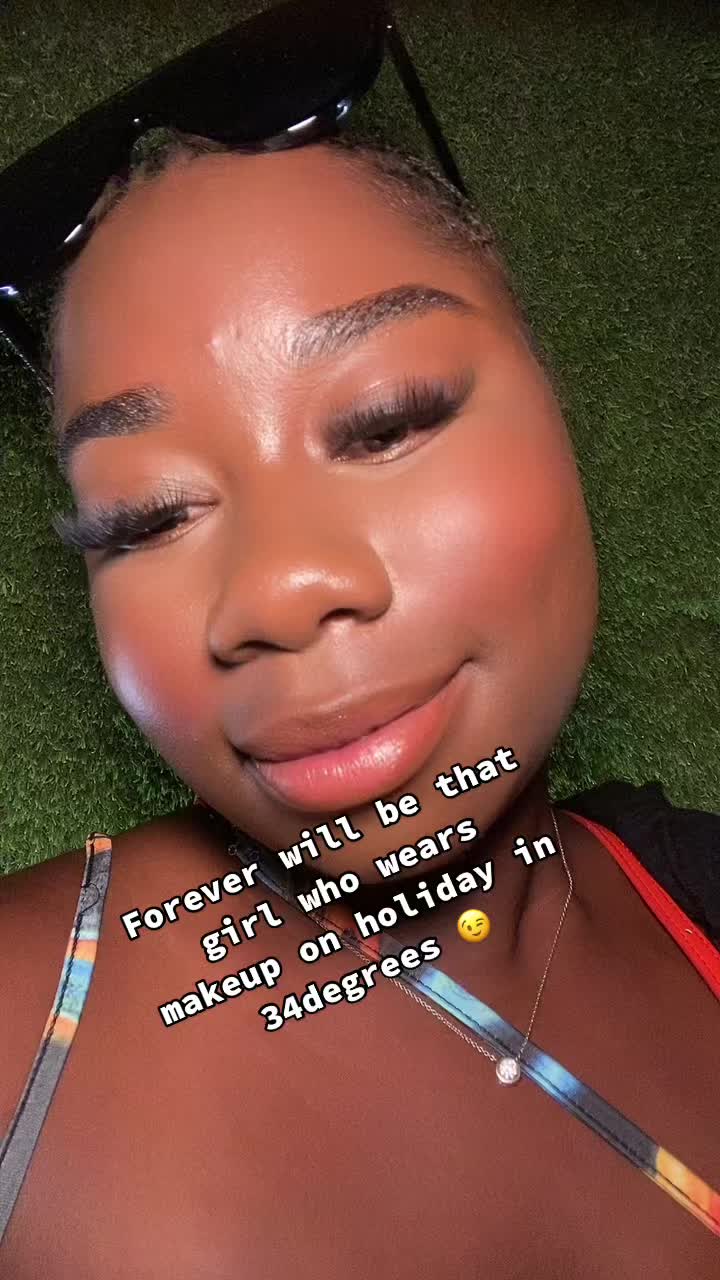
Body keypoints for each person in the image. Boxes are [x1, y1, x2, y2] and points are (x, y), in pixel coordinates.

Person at [0, 128, 718, 1277]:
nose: (278, 587)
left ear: (555, 392)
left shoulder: (691, 886)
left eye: (386, 422)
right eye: (147, 515)